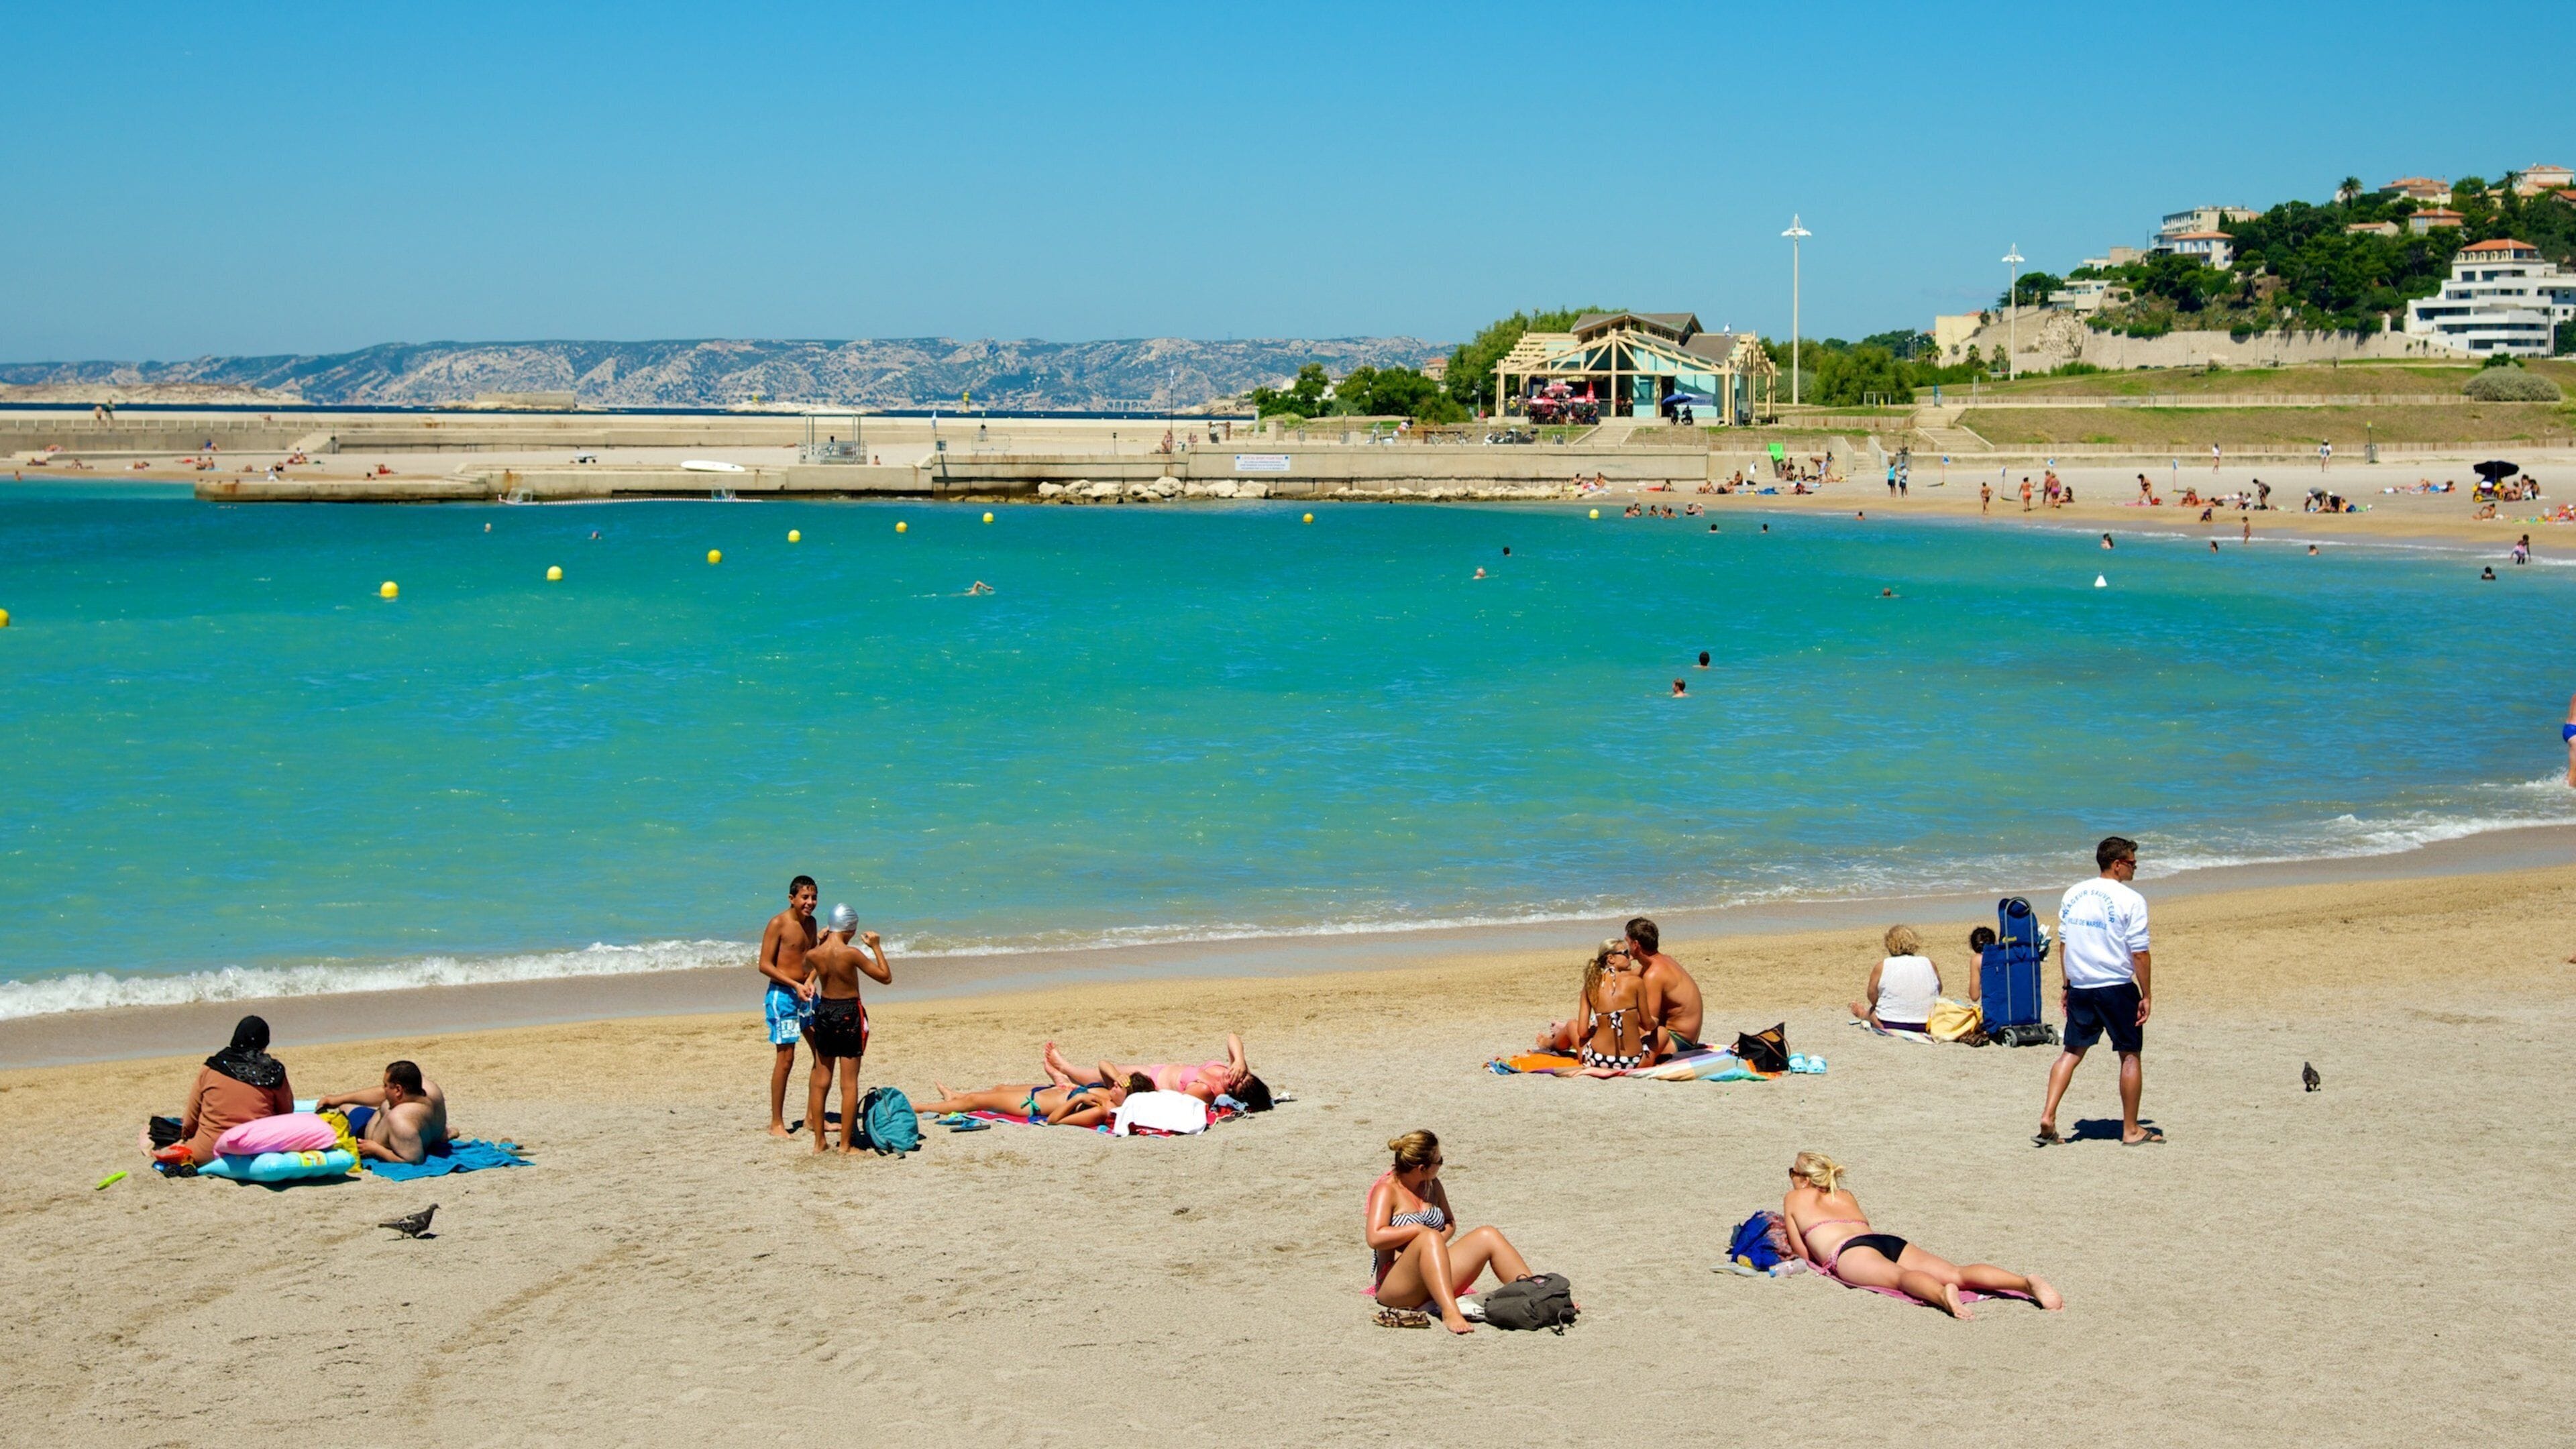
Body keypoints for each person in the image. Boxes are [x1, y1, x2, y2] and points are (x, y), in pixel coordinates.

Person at [1782, 1152, 2059, 1318]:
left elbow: (1803, 1252)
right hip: (1885, 1241)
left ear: (1805, 1179)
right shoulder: (1844, 1194)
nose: (1790, 1176)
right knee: (1957, 1272)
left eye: (1792, 1172)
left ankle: (1942, 1296)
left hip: (1849, 1251)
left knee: (1899, 1278)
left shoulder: (1795, 1197)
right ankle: (2025, 1283)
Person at [2037, 836, 2157, 1147]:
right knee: (2130, 1054)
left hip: (2082, 986)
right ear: (2117, 865)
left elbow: (2065, 944)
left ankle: (2048, 1114)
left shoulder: (2073, 893)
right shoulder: (2131, 899)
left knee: (2071, 1053)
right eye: (2132, 863)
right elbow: (2140, 952)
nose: (2135, 868)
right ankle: (2131, 1129)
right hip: (2115, 986)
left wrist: (2067, 984)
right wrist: (2146, 993)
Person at [1364, 1130, 1538, 1334]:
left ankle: (1539, 1295)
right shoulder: (1387, 1190)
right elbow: (1374, 1237)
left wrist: (1437, 1242)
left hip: (1434, 1271)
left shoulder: (1432, 1185)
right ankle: (1450, 1311)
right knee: (1428, 1236)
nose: (1441, 1165)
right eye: (1440, 1161)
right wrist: (1419, 1231)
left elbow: (1449, 1222)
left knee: (1487, 1234)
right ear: (1422, 1168)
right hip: (1397, 1284)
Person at [802, 904, 893, 1153]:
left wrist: (820, 942)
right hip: (849, 1013)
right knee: (849, 1082)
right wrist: (876, 947)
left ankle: (819, 1141)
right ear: (850, 929)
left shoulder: (815, 954)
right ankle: (845, 1144)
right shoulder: (851, 953)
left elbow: (807, 972)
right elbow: (885, 977)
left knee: (821, 1080)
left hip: (825, 1011)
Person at [146, 1014, 294, 1166]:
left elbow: (191, 1119)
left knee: (150, 1132)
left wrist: (186, 1136)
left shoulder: (212, 1068)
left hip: (208, 1151)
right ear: (264, 1043)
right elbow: (286, 1114)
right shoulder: (273, 1073)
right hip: (258, 1149)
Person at [1042, 1033, 1273, 1110]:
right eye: (1242, 1074)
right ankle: (1064, 1076)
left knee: (1099, 1076)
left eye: (1236, 1081)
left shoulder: (1207, 1090)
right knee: (1099, 1074)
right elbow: (1232, 1036)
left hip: (1152, 1080)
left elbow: (1174, 1102)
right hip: (1157, 1068)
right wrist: (1241, 1061)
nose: (1233, 1075)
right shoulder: (1233, 1070)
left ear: (1232, 1093)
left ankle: (1064, 1071)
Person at [759, 875, 822, 1137]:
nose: (810, 903)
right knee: (786, 1059)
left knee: (823, 1051)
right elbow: (765, 964)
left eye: (814, 897)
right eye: (805, 898)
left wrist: (809, 981)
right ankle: (777, 1123)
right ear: (792, 899)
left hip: (806, 994)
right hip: (783, 995)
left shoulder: (812, 924)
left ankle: (811, 1118)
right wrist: (794, 985)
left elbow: (814, 958)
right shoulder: (778, 923)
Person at [315, 1061, 450, 1165]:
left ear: (398, 1090)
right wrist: (337, 1099)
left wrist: (376, 1150)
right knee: (345, 1104)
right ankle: (445, 1133)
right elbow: (381, 1095)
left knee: (343, 1109)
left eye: (386, 1085)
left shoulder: (400, 1120)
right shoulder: (429, 1089)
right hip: (422, 1132)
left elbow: (413, 1159)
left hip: (365, 1137)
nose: (383, 1089)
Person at [913, 1072, 1148, 1128]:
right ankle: (954, 1097)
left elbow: (1055, 1121)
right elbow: (1104, 1064)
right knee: (999, 1088)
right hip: (1044, 1091)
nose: (1114, 1084)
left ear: (1129, 1097)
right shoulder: (1109, 1095)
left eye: (1119, 1086)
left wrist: (1081, 1097)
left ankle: (917, 1106)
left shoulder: (1100, 1111)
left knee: (975, 1101)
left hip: (1031, 1104)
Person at [1572, 939, 1658, 1073]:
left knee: (1571, 1025)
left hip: (1598, 1060)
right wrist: (1656, 1022)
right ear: (1611, 958)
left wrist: (1595, 1031)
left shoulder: (1590, 985)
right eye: (1625, 953)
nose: (1630, 957)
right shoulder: (1636, 983)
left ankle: (1549, 1044)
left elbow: (1582, 1032)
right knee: (1662, 1033)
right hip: (1633, 1062)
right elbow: (1648, 1024)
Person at [1624, 916, 1705, 1056]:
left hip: (1678, 1041)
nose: (1625, 947)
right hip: (1689, 1037)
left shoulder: (1654, 975)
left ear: (1636, 945)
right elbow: (1629, 976)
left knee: (1616, 1031)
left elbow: (1649, 1022)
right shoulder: (1662, 961)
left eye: (1627, 943)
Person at [1848, 925, 1940, 1034]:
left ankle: (1863, 1014)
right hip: (1926, 1023)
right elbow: (1938, 989)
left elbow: (1872, 995)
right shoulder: (1929, 963)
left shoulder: (1882, 966)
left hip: (1891, 1023)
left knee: (1873, 1012)